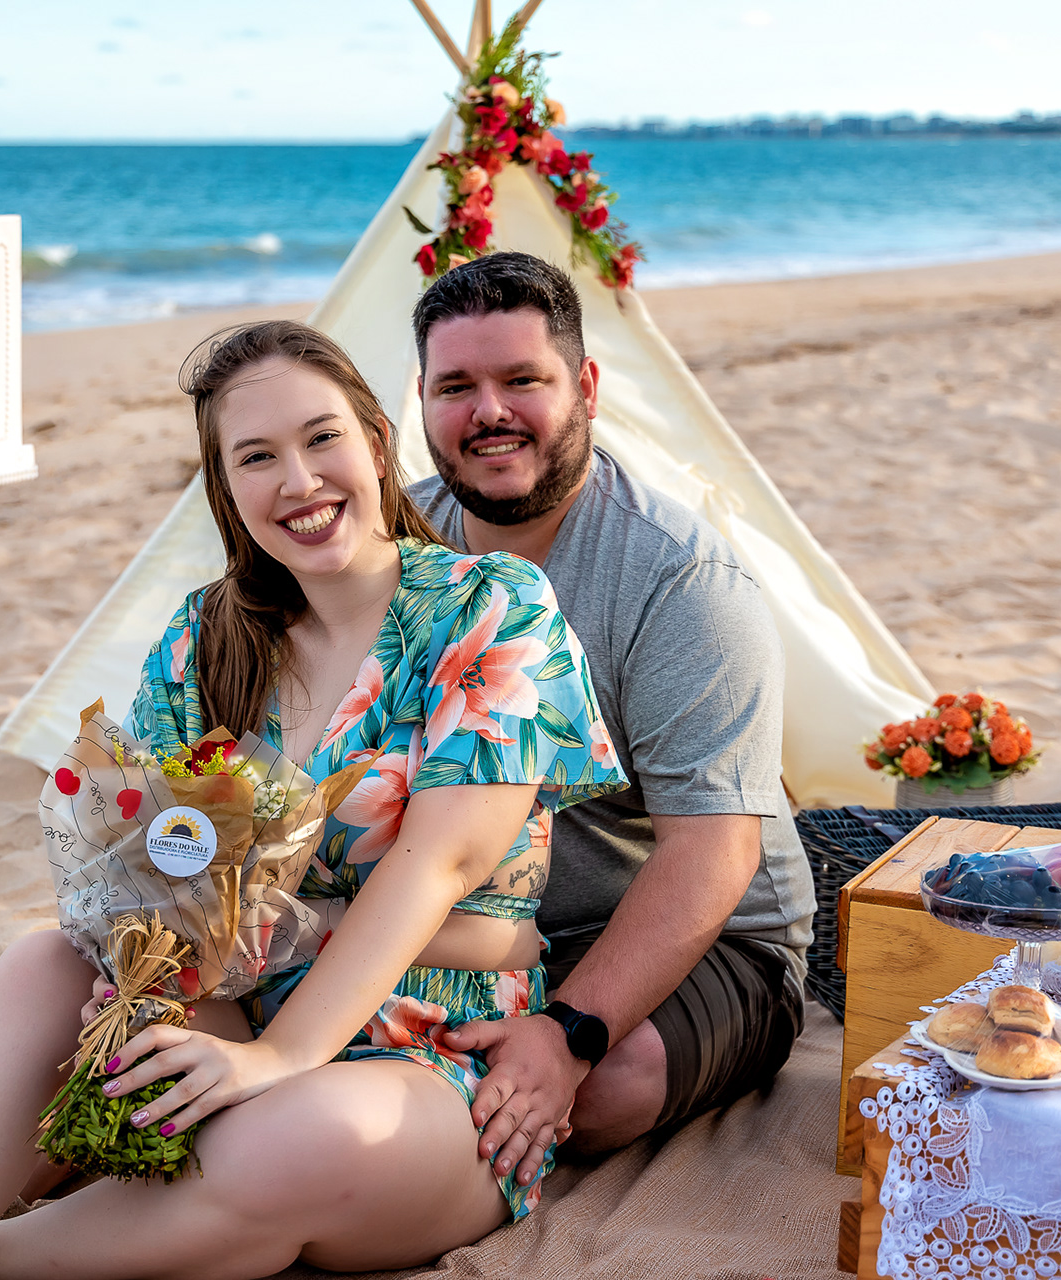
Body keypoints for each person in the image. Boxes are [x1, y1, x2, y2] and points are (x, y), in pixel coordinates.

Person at [0, 319, 625, 1279]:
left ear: (375, 443)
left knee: (287, 1143)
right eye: (257, 457)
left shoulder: (491, 606)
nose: (299, 482)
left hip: (436, 1055)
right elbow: (153, 884)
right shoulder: (203, 640)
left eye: (322, 438)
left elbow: (442, 863)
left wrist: (280, 1050)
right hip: (232, 1014)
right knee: (46, 969)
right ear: (225, 486)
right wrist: (158, 976)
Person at [412, 252, 814, 1191]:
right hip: (480, 925)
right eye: (455, 387)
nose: (488, 412)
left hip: (705, 935)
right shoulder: (401, 549)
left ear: (585, 387)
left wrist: (567, 1033)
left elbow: (711, 855)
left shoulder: (682, 581)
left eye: (522, 380)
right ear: (421, 402)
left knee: (604, 1086)